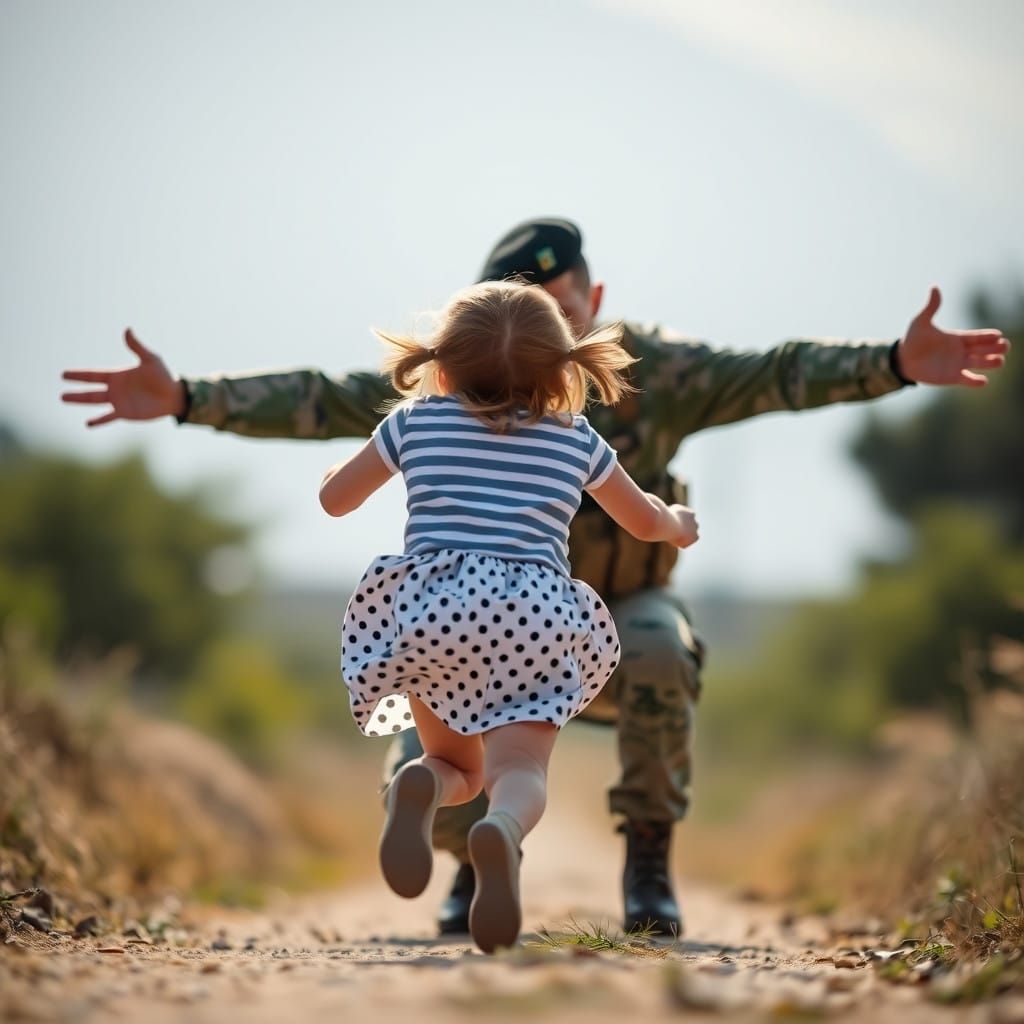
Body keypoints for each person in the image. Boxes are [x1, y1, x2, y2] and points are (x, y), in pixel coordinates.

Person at [61, 218, 1010, 937]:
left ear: (598, 301)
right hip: (552, 624)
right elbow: (317, 399)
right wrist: (187, 400)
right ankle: (473, 867)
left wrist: (892, 363)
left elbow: (779, 372)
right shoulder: (493, 400)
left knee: (643, 654)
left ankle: (647, 867)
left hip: (601, 610)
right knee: (494, 771)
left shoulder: (657, 372)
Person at [319, 280, 698, 951]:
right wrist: (678, 524)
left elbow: (335, 502)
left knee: (455, 767)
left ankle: (421, 786)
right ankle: (503, 830)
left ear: (440, 366)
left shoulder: (412, 422)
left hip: (436, 614)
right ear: (561, 374)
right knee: (517, 771)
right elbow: (642, 521)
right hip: (535, 619)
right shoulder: (576, 439)